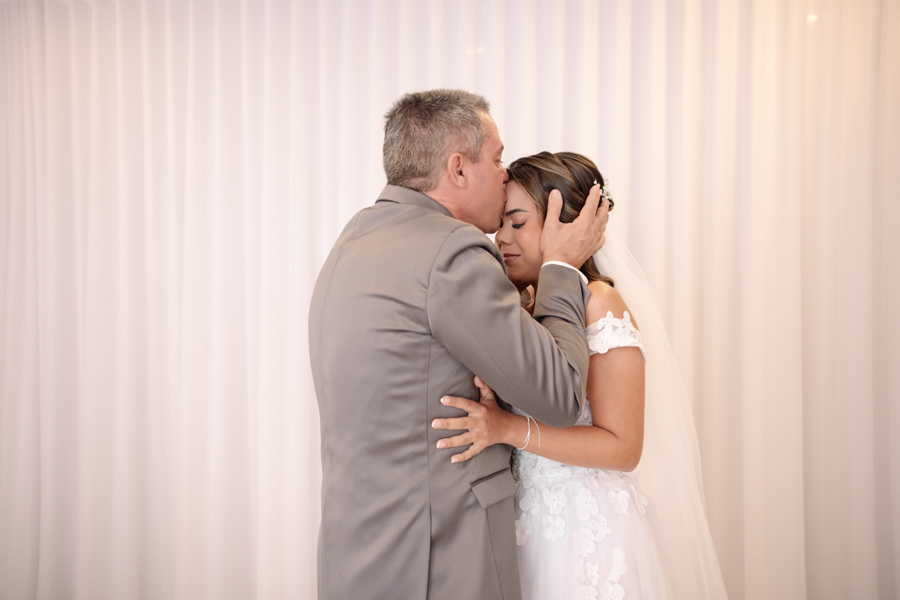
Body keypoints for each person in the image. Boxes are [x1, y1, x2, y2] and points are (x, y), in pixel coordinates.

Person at [308, 91, 610, 599]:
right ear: (458, 169)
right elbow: (559, 396)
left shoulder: (353, 240)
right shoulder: (452, 250)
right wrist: (561, 267)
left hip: (357, 552)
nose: (505, 173)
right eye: (495, 158)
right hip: (436, 555)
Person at [434, 152, 729, 599]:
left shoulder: (600, 303)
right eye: (500, 224)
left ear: (566, 227)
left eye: (517, 222)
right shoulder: (516, 306)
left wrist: (506, 427)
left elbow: (623, 447)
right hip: (522, 529)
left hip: (584, 531)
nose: (500, 237)